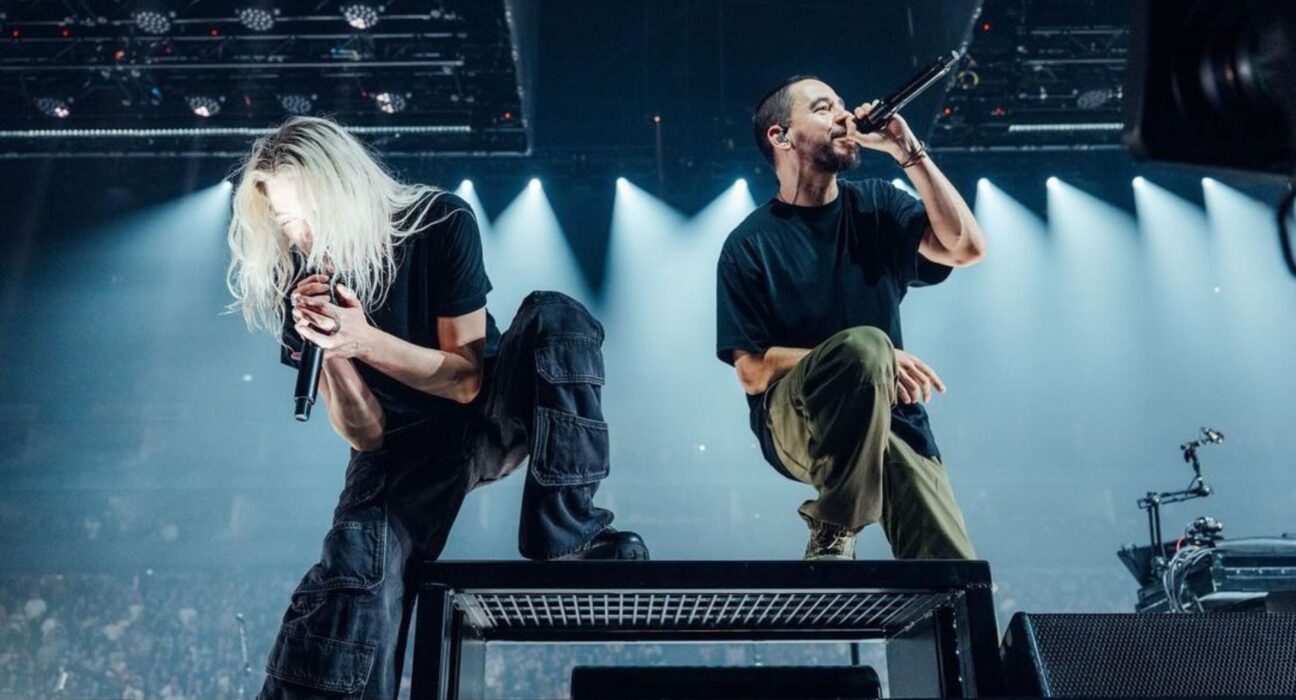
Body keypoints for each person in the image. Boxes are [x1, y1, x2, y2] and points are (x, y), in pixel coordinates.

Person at [226, 116, 648, 699]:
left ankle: (568, 534)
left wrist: (363, 338)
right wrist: (332, 350)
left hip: (488, 410)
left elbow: (466, 379)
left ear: (345, 191)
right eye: (284, 221)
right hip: (401, 448)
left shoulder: (439, 221)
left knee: (559, 317)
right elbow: (365, 435)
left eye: (307, 214)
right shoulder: (298, 288)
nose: (299, 234)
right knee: (355, 581)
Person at [715, 76, 987, 561]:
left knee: (952, 571)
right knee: (867, 344)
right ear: (780, 136)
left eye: (843, 104)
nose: (844, 116)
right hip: (798, 422)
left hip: (891, 421)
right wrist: (872, 358)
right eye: (823, 108)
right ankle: (835, 524)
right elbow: (752, 372)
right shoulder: (749, 244)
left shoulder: (877, 205)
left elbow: (966, 248)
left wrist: (907, 149)